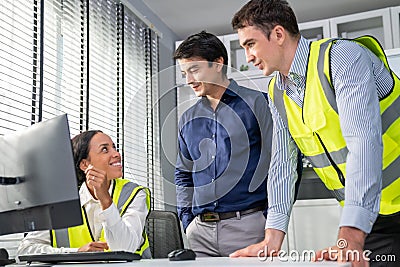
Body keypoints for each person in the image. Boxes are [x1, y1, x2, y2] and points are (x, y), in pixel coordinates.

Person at [230, 0, 400, 266]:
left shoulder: (342, 58)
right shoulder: (277, 92)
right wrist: (272, 237)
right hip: (374, 216)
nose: (248, 56)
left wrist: (351, 234)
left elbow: (363, 142)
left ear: (277, 34)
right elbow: (282, 165)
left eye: (250, 44)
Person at [174, 30, 293, 257]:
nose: (189, 80)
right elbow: (183, 174)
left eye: (194, 70)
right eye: (184, 73)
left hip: (248, 227)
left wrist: (269, 219)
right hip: (199, 233)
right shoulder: (187, 119)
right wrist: (187, 220)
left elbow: (281, 162)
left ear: (218, 64)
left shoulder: (258, 103)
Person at [17, 130, 151, 258]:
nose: (117, 154)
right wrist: (76, 252)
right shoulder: (61, 203)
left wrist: (105, 199)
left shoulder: (134, 194)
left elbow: (125, 248)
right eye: (105, 149)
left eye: (114, 148)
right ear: (85, 164)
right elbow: (25, 250)